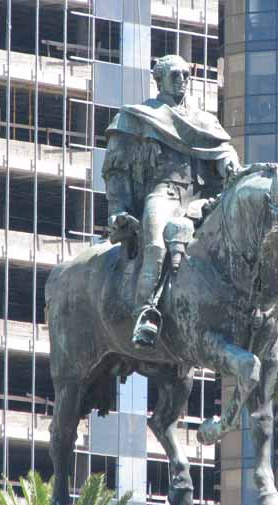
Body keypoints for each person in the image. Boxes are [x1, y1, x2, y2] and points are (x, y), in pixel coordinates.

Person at [102, 55, 240, 347]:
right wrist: (118, 209)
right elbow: (117, 169)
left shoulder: (204, 121)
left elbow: (222, 149)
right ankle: (146, 314)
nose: (182, 81)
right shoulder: (138, 117)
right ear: (159, 79)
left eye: (186, 75)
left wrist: (229, 163)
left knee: (241, 240)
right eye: (175, 75)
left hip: (201, 199)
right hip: (163, 195)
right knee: (156, 247)